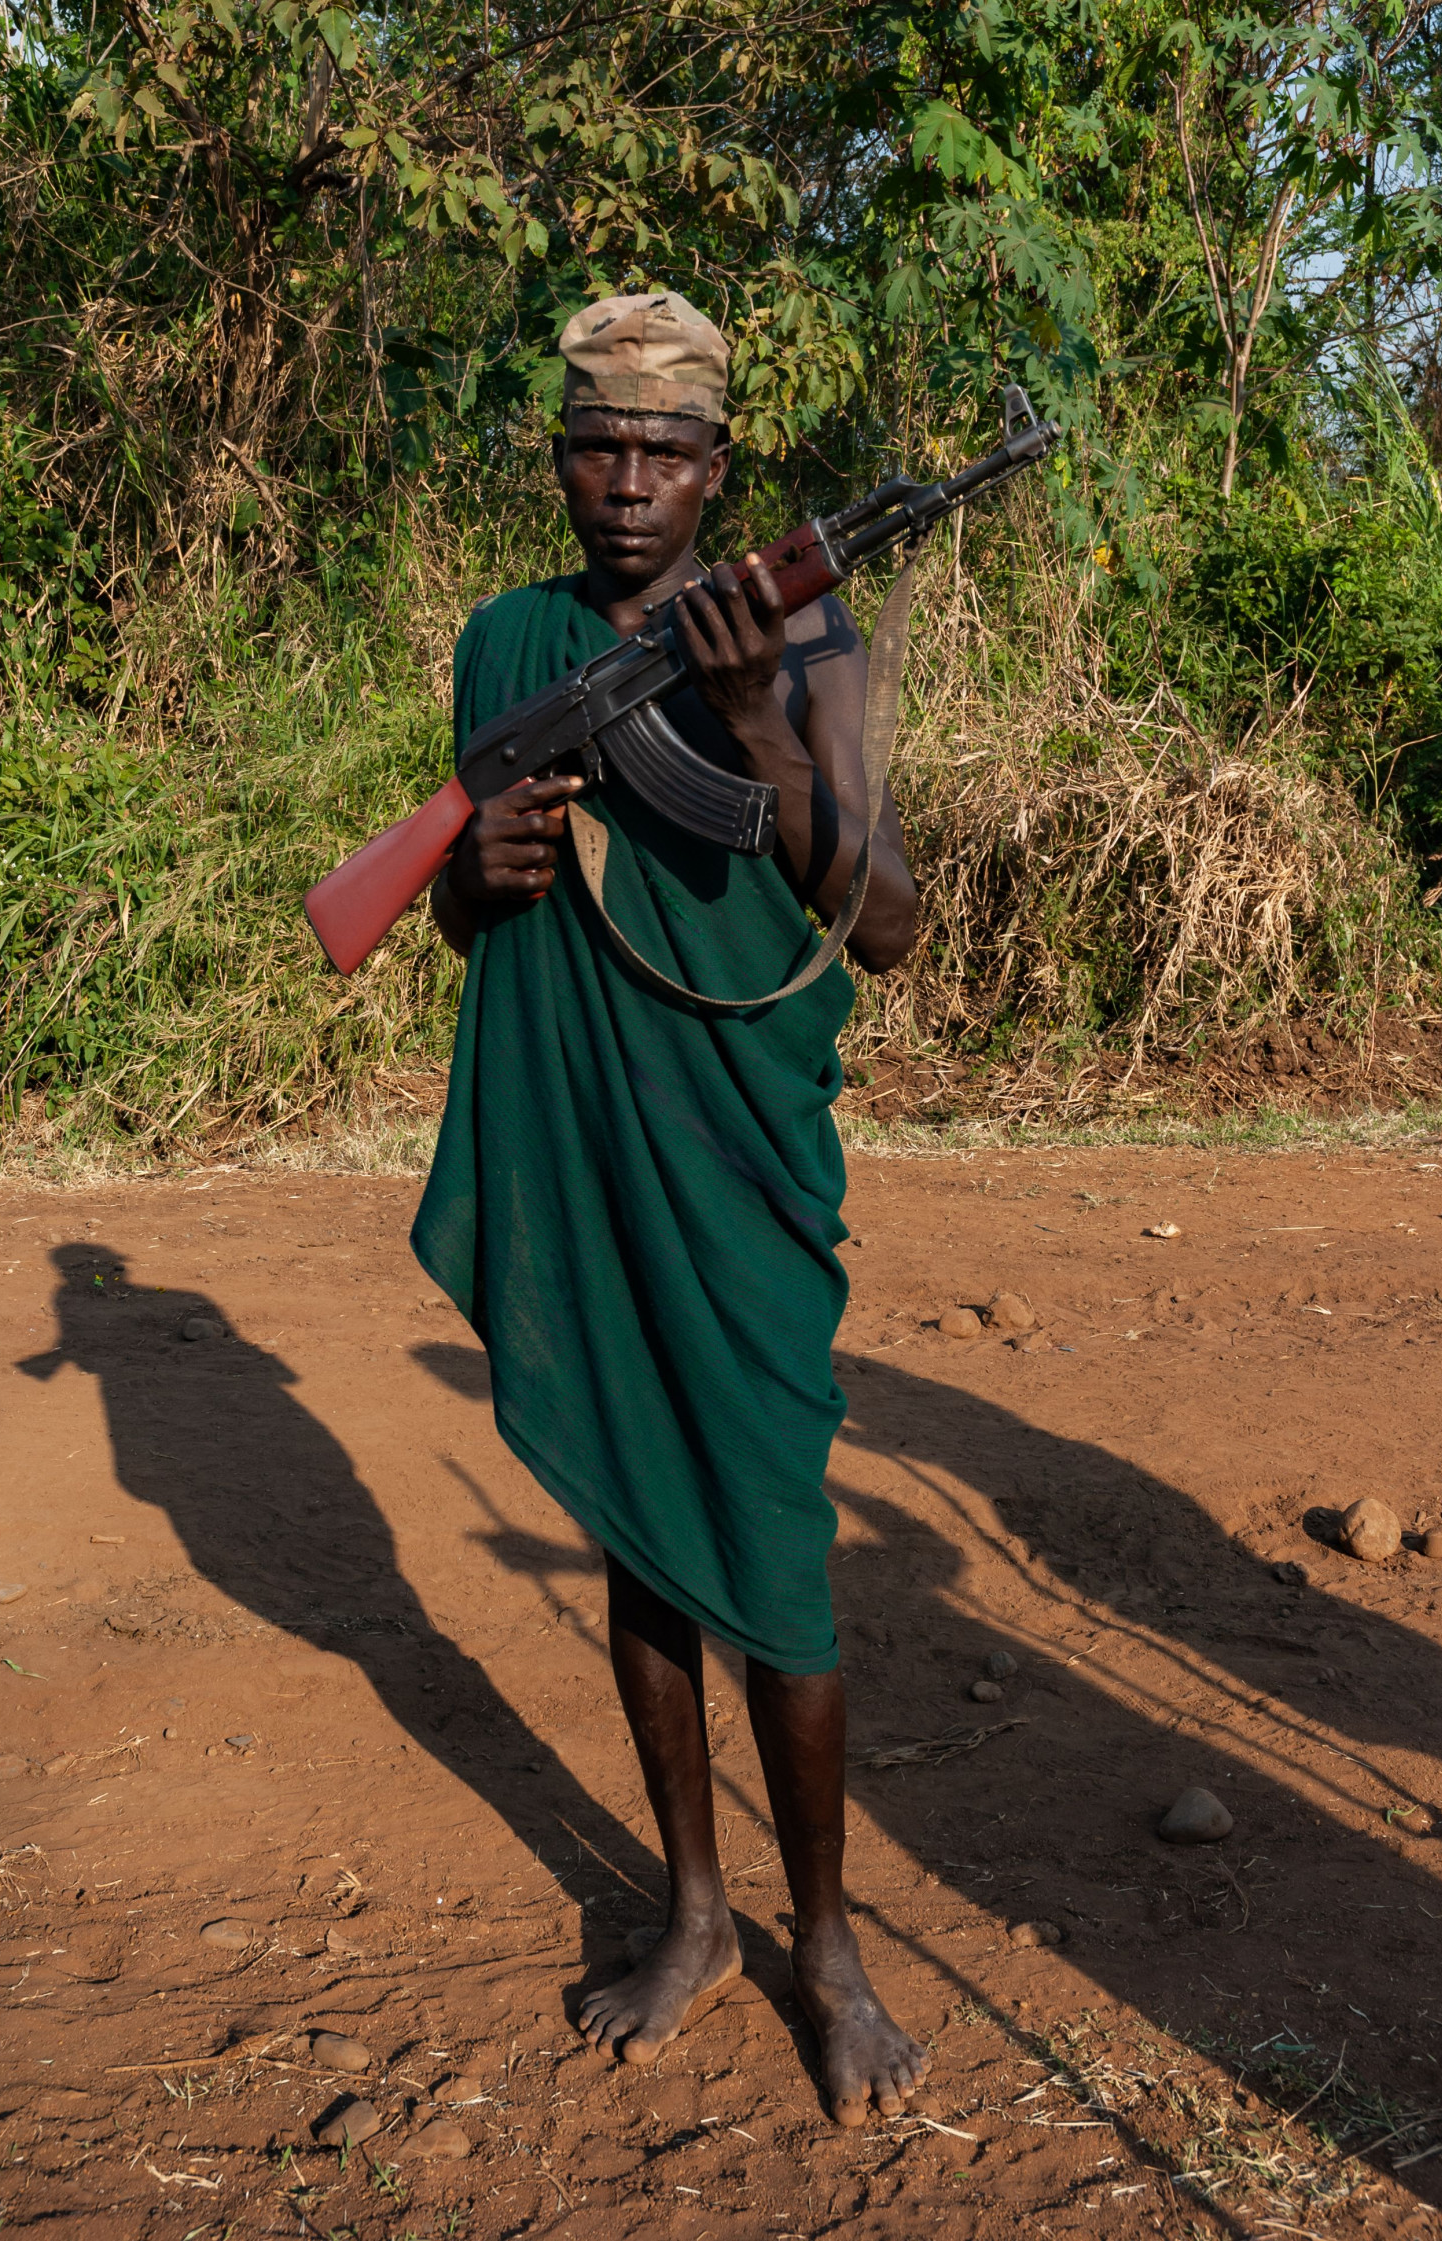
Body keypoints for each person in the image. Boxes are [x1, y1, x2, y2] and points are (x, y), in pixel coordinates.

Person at [411, 290, 925, 2126]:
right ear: (559, 454)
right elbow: (474, 913)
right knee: (636, 1514)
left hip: (736, 1139)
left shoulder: (807, 640)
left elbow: (885, 922)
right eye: (597, 446)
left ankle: (832, 1943)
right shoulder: (505, 643)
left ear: (723, 468)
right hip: (579, 1124)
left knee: (773, 1552)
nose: (629, 486)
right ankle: (696, 1911)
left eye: (668, 454)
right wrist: (478, 872)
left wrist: (754, 733)